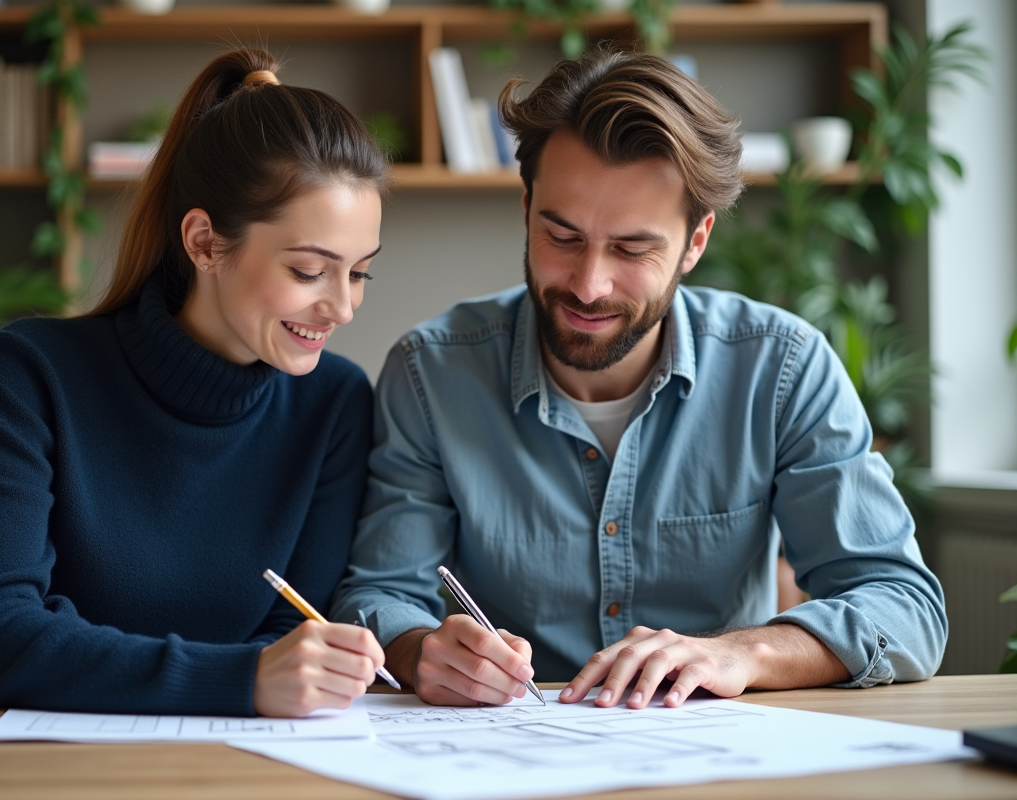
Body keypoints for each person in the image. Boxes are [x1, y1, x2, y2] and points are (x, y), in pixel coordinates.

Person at [331, 48, 946, 710]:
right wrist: (425, 651)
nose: (589, 285)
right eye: (562, 236)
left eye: (632, 249)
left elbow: (905, 608)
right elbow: (380, 595)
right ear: (527, 207)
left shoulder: (783, 368)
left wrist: (740, 651)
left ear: (695, 242)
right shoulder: (432, 373)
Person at [0, 48, 389, 718]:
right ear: (205, 241)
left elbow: (291, 639)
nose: (343, 307)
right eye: (308, 271)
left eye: (359, 272)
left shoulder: (336, 403)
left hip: (257, 768)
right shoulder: (33, 372)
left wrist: (266, 671)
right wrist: (239, 679)